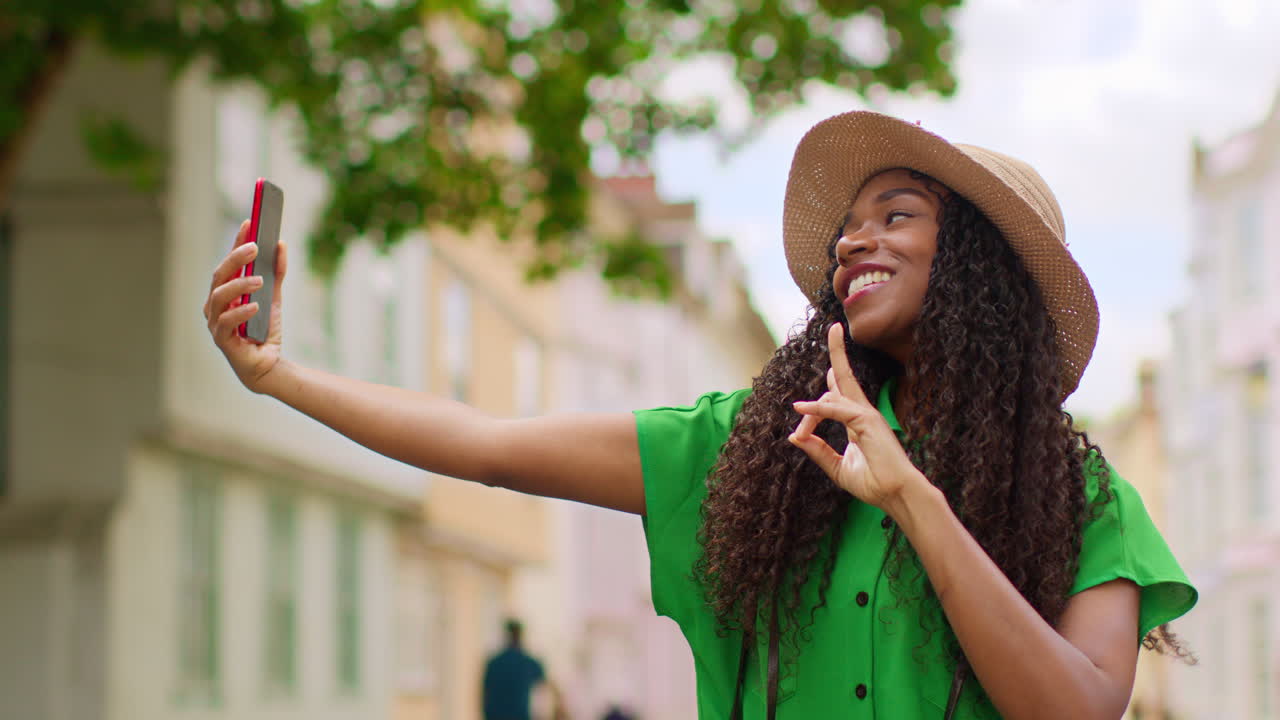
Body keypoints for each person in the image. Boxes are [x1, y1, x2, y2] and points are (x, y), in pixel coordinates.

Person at [202, 110, 1197, 719]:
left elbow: (1073, 709)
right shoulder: (753, 448)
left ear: (982, 270)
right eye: (846, 227)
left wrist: (910, 499)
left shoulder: (1079, 495)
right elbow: (487, 444)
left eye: (893, 214)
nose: (853, 241)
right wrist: (282, 377)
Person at [482, 619, 547, 720]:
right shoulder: (528, 662)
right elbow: (544, 688)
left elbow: (484, 694)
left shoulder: (494, 663)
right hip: (520, 715)